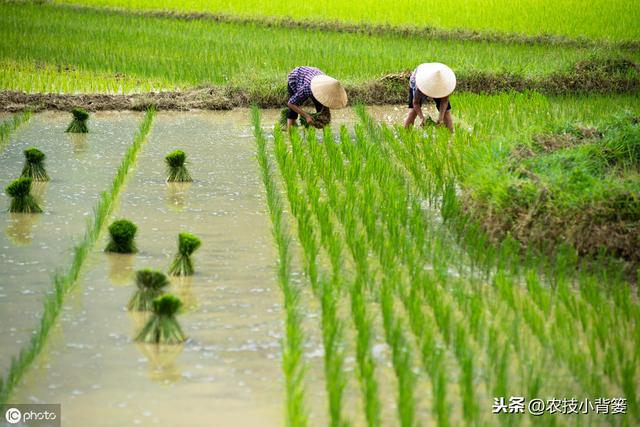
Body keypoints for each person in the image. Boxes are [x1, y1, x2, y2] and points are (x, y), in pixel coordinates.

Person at [403, 63, 456, 131]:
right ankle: (406, 133)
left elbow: (444, 101)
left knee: (446, 112)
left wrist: (440, 118)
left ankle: (451, 136)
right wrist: (422, 118)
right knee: (413, 112)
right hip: (421, 80)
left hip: (439, 79)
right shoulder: (419, 85)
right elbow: (416, 103)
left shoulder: (445, 84)